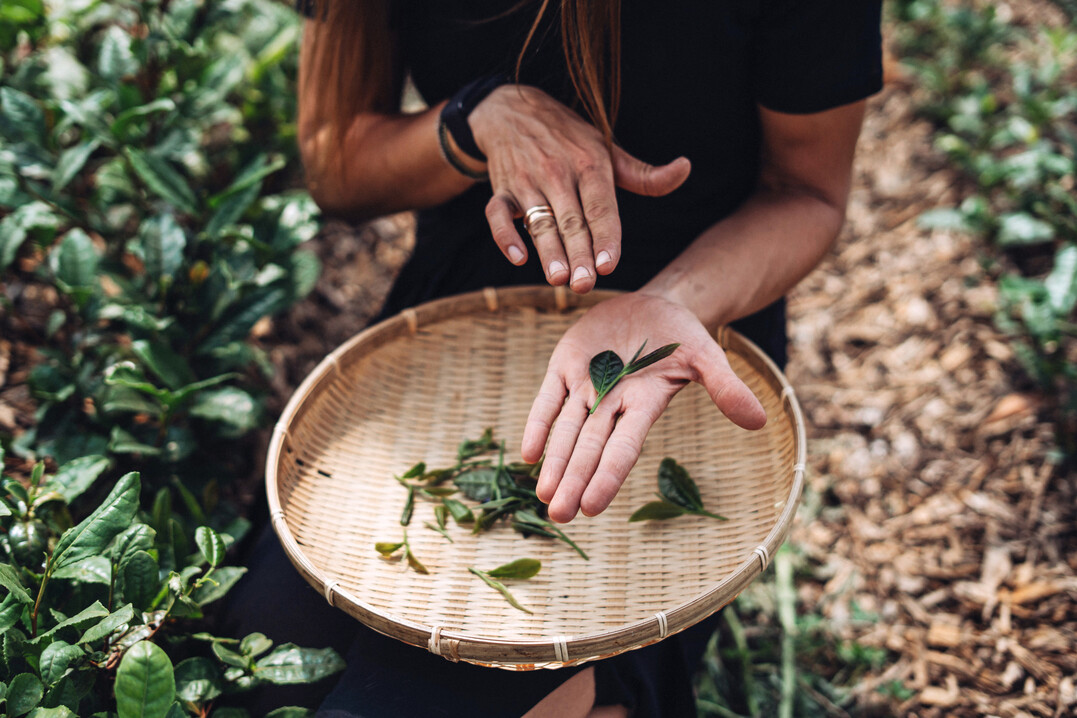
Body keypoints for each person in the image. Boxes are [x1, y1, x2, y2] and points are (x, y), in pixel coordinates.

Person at [223, 2, 883, 716]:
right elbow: (337, 163)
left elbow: (807, 192)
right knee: (256, 671)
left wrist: (671, 307)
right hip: (455, 333)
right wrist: (475, 119)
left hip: (682, 338)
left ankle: (620, 686)